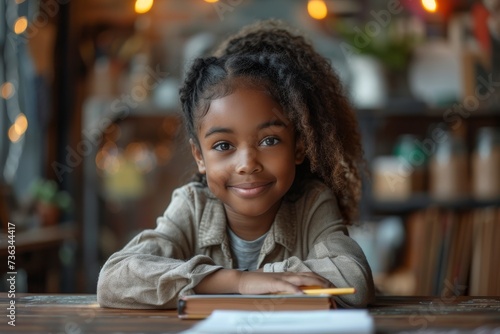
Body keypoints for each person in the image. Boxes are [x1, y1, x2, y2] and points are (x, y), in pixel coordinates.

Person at [97, 20, 375, 309]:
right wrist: (237, 282)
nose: (247, 164)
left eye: (269, 140)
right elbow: (114, 280)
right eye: (223, 146)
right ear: (199, 157)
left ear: (299, 147)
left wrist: (262, 279)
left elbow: (354, 281)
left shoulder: (312, 204)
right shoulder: (192, 206)